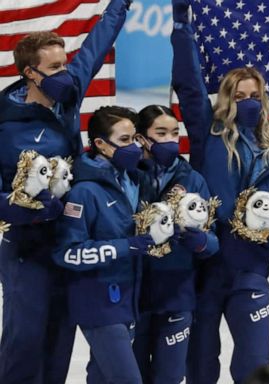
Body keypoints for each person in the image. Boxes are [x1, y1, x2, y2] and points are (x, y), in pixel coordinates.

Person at [0, 1, 132, 382]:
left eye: (65, 62)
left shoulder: (69, 94)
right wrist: (34, 210)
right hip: (26, 246)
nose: (66, 73)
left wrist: (120, 4)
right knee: (25, 342)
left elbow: (98, 41)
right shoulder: (5, 124)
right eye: (55, 67)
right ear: (30, 74)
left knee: (60, 341)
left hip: (67, 241)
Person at [171, 2, 269, 383]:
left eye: (254, 95)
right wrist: (182, 27)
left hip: (252, 269)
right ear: (227, 98)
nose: (249, 102)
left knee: (256, 364)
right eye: (240, 96)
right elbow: (190, 84)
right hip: (206, 267)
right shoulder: (209, 134)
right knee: (201, 365)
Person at [52, 105, 154, 384]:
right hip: (98, 301)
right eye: (124, 140)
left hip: (128, 296)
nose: (133, 146)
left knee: (102, 378)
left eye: (135, 139)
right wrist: (126, 246)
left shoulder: (133, 180)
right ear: (100, 144)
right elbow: (67, 253)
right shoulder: (84, 191)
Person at [132, 104, 219, 383]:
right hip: (135, 292)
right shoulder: (127, 177)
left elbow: (213, 240)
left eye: (174, 133)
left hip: (177, 291)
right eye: (161, 133)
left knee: (169, 376)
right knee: (130, 374)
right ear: (141, 138)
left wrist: (201, 241)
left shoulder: (194, 179)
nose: (170, 140)